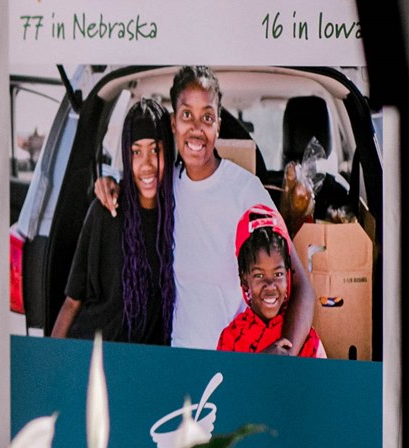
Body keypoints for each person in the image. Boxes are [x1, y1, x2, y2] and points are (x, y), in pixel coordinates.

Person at [96, 67, 315, 351]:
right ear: (173, 123)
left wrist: (284, 353)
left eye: (207, 117)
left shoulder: (245, 191)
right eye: (187, 115)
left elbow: (302, 288)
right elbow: (135, 184)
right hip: (179, 359)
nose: (197, 128)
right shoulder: (165, 187)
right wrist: (107, 184)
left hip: (236, 360)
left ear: (218, 126)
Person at [51, 98, 173, 344]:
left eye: (155, 150)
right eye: (136, 152)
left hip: (147, 363)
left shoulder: (179, 215)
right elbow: (73, 301)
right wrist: (50, 366)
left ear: (168, 151)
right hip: (95, 355)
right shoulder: (106, 211)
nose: (146, 164)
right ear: (126, 158)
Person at [217, 206, 323, 357]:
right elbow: (224, 379)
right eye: (259, 275)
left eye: (278, 274)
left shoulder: (306, 339)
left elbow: (321, 379)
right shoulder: (231, 339)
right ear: (244, 280)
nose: (270, 286)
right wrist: (263, 364)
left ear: (288, 276)